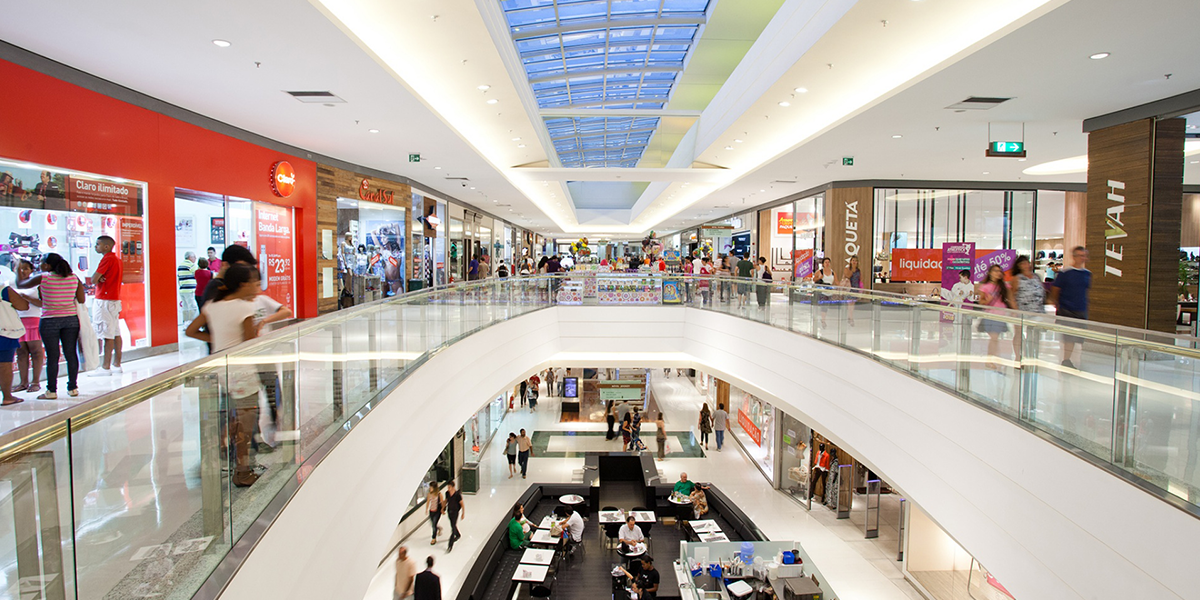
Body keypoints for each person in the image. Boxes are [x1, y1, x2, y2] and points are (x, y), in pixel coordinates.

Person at [185, 264, 262, 486]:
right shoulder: (243, 308)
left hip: (220, 367)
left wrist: (217, 343)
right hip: (241, 370)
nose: (256, 286)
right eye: (253, 282)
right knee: (245, 422)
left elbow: (191, 331)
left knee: (226, 417)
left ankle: (213, 464)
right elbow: (249, 343)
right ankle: (242, 470)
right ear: (243, 284)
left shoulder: (212, 305)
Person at [36, 253, 84, 400]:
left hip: (50, 320)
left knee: (52, 356)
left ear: (47, 265)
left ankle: (51, 390)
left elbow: (21, 285)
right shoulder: (74, 278)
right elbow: (81, 299)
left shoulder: (43, 278)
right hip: (70, 320)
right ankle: (73, 388)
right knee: (71, 353)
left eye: (41, 262)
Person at [1050, 246, 1091, 370]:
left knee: (1079, 336)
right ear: (1074, 257)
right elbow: (1055, 290)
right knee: (1068, 337)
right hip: (1067, 309)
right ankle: (1066, 359)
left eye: (1084, 255)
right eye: (1080, 255)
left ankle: (1073, 359)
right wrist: (1057, 303)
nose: (1082, 258)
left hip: (1081, 309)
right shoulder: (1065, 273)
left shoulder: (1087, 274)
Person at [90, 235, 123, 374]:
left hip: (104, 300)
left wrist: (97, 278)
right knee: (115, 332)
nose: (95, 247)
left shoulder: (107, 259)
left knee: (106, 333)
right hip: (114, 299)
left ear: (106, 246)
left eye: (97, 244)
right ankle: (117, 364)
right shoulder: (117, 260)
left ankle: (105, 366)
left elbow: (93, 279)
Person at [13, 260, 43, 395]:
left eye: (26, 268)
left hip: (34, 320)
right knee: (21, 353)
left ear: (31, 270)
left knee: (36, 352)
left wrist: (26, 298)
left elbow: (42, 303)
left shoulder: (38, 284)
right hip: (17, 321)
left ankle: (36, 381)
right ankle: (23, 382)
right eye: (20, 269)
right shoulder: (10, 284)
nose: (23, 271)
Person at [977, 264, 1013, 370]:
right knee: (994, 338)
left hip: (1001, 315)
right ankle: (991, 359)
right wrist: (988, 300)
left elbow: (1011, 299)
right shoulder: (985, 287)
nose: (998, 273)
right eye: (995, 271)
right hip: (990, 315)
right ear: (990, 273)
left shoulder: (1005, 286)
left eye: (999, 271)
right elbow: (981, 302)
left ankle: (993, 359)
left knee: (995, 339)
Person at [0, 284, 30, 406]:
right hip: (4, 331)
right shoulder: (3, 290)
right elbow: (23, 306)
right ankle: (7, 396)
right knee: (4, 365)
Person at [1011, 255, 1045, 360]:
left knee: (1034, 335)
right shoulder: (1017, 278)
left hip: (1036, 310)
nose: (1026, 265)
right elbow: (1012, 295)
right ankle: (1018, 356)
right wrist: (1015, 309)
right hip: (1022, 310)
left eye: (1027, 262)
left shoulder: (1036, 277)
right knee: (1019, 334)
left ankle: (1032, 355)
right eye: (1023, 263)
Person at [177, 251, 198, 323]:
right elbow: (198, 274)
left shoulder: (180, 266)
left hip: (182, 289)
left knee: (185, 307)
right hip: (190, 290)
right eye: (194, 257)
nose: (195, 259)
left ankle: (185, 323)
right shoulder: (191, 265)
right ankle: (192, 323)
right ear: (190, 257)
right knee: (192, 307)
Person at [444, 480, 465, 552]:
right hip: (449, 511)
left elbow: (462, 504)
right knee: (452, 525)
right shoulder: (447, 493)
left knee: (453, 527)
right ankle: (458, 534)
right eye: (448, 487)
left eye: (449, 487)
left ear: (453, 487)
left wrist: (463, 513)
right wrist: (443, 508)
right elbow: (446, 501)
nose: (448, 488)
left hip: (455, 512)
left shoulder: (457, 495)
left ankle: (450, 545)